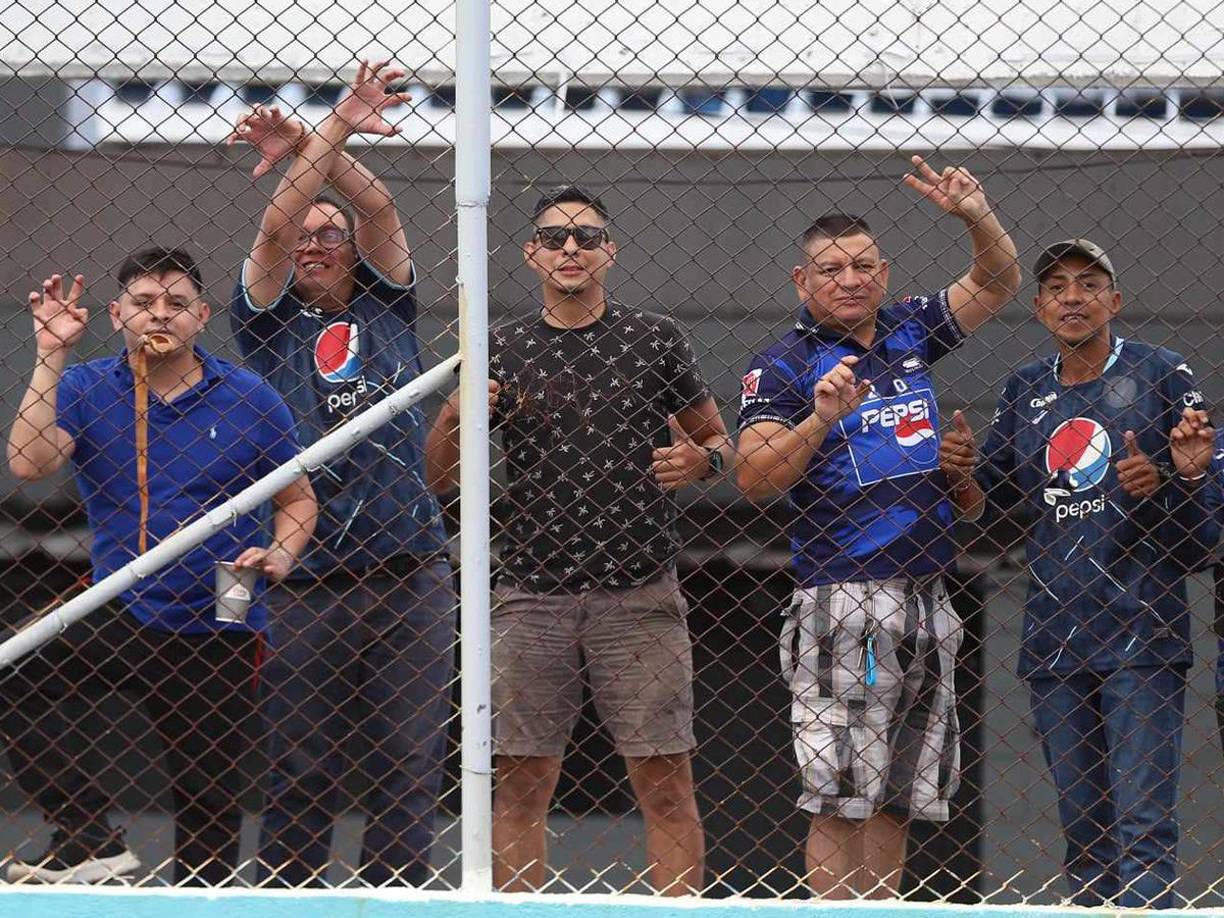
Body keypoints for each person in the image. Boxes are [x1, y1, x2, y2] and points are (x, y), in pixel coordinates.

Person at [425, 184, 730, 895]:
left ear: (609, 253)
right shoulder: (499, 346)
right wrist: (459, 410)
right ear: (532, 254)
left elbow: (718, 438)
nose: (571, 248)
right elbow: (437, 476)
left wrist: (703, 461)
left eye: (586, 237)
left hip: (640, 592)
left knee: (664, 779)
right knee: (522, 781)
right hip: (532, 593)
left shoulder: (656, 337)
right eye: (556, 237)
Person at [734, 157, 1021, 898]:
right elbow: (754, 477)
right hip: (847, 600)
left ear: (884, 272)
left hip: (932, 595)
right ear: (803, 282)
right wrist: (820, 419)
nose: (850, 279)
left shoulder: (909, 329)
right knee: (840, 793)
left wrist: (975, 216)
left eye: (863, 264)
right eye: (831, 269)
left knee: (900, 792)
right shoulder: (783, 364)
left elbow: (997, 283)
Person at [1, 248, 316, 885]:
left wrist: (280, 553)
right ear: (116, 314)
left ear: (201, 315)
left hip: (220, 609)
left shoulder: (249, 397)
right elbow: (31, 465)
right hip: (120, 601)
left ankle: (203, 894)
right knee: (12, 671)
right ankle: (88, 836)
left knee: (209, 792)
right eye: (144, 303)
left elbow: (298, 497)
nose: (160, 315)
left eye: (176, 304)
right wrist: (51, 353)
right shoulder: (87, 385)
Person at [227, 61, 455, 887]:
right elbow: (273, 228)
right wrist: (316, 146)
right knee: (304, 767)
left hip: (409, 568)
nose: (315, 242)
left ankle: (399, 900)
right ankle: (290, 898)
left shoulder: (387, 305)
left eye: (332, 233)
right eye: (305, 236)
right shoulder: (265, 322)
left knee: (408, 763)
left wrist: (323, 143)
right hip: (308, 575)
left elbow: (381, 207)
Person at [939, 239, 1220, 909]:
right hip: (1056, 635)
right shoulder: (1025, 388)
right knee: (1084, 837)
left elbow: (1202, 532)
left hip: (1143, 631)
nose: (1072, 296)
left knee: (1143, 829)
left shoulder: (1161, 372)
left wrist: (1172, 480)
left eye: (1089, 284)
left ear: (1114, 302)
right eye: (1058, 287)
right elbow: (989, 502)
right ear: (1037, 308)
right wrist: (958, 476)